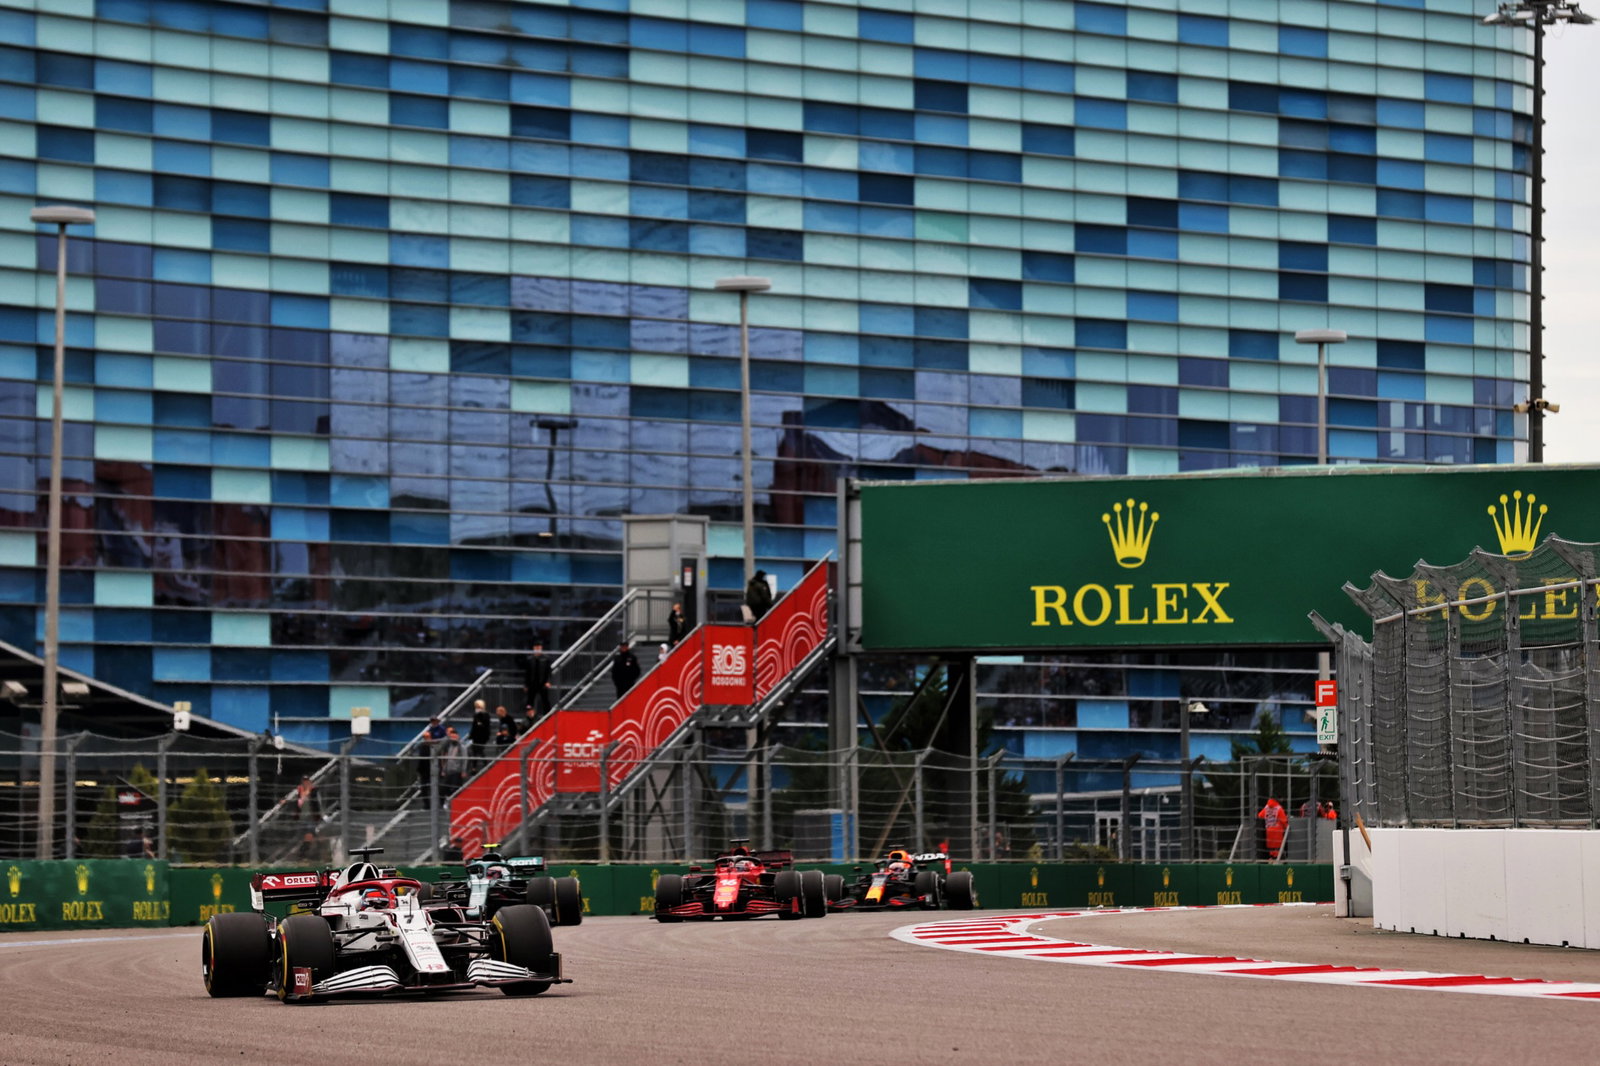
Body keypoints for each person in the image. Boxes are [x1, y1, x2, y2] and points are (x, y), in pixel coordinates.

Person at [523, 641, 554, 716]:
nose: (537, 649)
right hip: (532, 683)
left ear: (541, 648)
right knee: (530, 701)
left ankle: (547, 716)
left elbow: (549, 672)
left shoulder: (546, 659)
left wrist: (548, 681)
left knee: (545, 700)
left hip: (542, 683)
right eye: (536, 648)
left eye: (539, 648)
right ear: (534, 648)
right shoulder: (530, 659)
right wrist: (526, 685)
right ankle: (529, 716)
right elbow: (527, 673)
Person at [438, 726, 466, 792]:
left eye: (454, 737)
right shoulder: (449, 746)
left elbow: (465, 759)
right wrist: (443, 770)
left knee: (454, 789)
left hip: (457, 771)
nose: (453, 738)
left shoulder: (461, 747)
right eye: (452, 737)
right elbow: (447, 759)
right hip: (448, 771)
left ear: (458, 737)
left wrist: (463, 771)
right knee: (443, 789)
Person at [468, 699, 493, 772]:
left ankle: (485, 763)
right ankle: (474, 767)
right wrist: (471, 735)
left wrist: (479, 723)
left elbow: (485, 726)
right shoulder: (475, 715)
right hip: (475, 736)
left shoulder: (486, 715)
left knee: (479, 750)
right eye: (476, 707)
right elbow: (474, 726)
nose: (477, 708)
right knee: (475, 751)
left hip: (482, 736)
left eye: (478, 707)